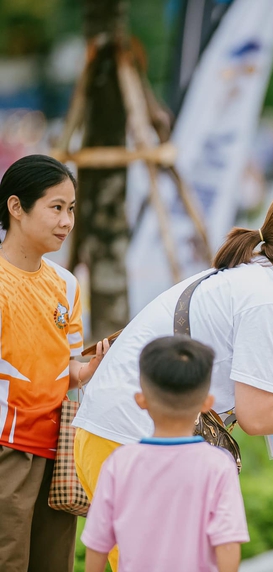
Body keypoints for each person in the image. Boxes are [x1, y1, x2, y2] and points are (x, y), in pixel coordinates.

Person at [73, 185, 273, 570]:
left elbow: (265, 394)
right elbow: (258, 416)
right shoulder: (265, 301)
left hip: (122, 436)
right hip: (128, 437)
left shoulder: (258, 282)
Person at [0, 154, 109, 572]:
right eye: (56, 207)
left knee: (55, 563)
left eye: (72, 209)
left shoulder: (66, 284)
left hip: (59, 450)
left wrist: (93, 367)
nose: (67, 221)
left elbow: (70, 369)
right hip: (8, 450)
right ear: (16, 207)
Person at [82, 336, 249, 572]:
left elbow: (98, 545)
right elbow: (228, 545)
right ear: (206, 403)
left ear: (140, 400)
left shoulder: (119, 463)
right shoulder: (219, 465)